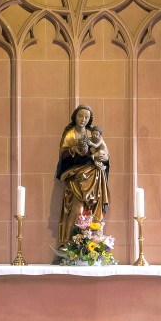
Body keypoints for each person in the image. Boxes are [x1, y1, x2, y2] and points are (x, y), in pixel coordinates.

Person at [55, 104, 110, 246]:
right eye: (80, 116)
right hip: (75, 176)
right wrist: (73, 149)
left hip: (93, 175)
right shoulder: (70, 134)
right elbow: (63, 155)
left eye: (86, 117)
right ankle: (71, 242)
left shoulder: (93, 133)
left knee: (91, 207)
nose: (83, 119)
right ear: (75, 117)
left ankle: (92, 241)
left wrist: (104, 156)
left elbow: (104, 150)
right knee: (77, 208)